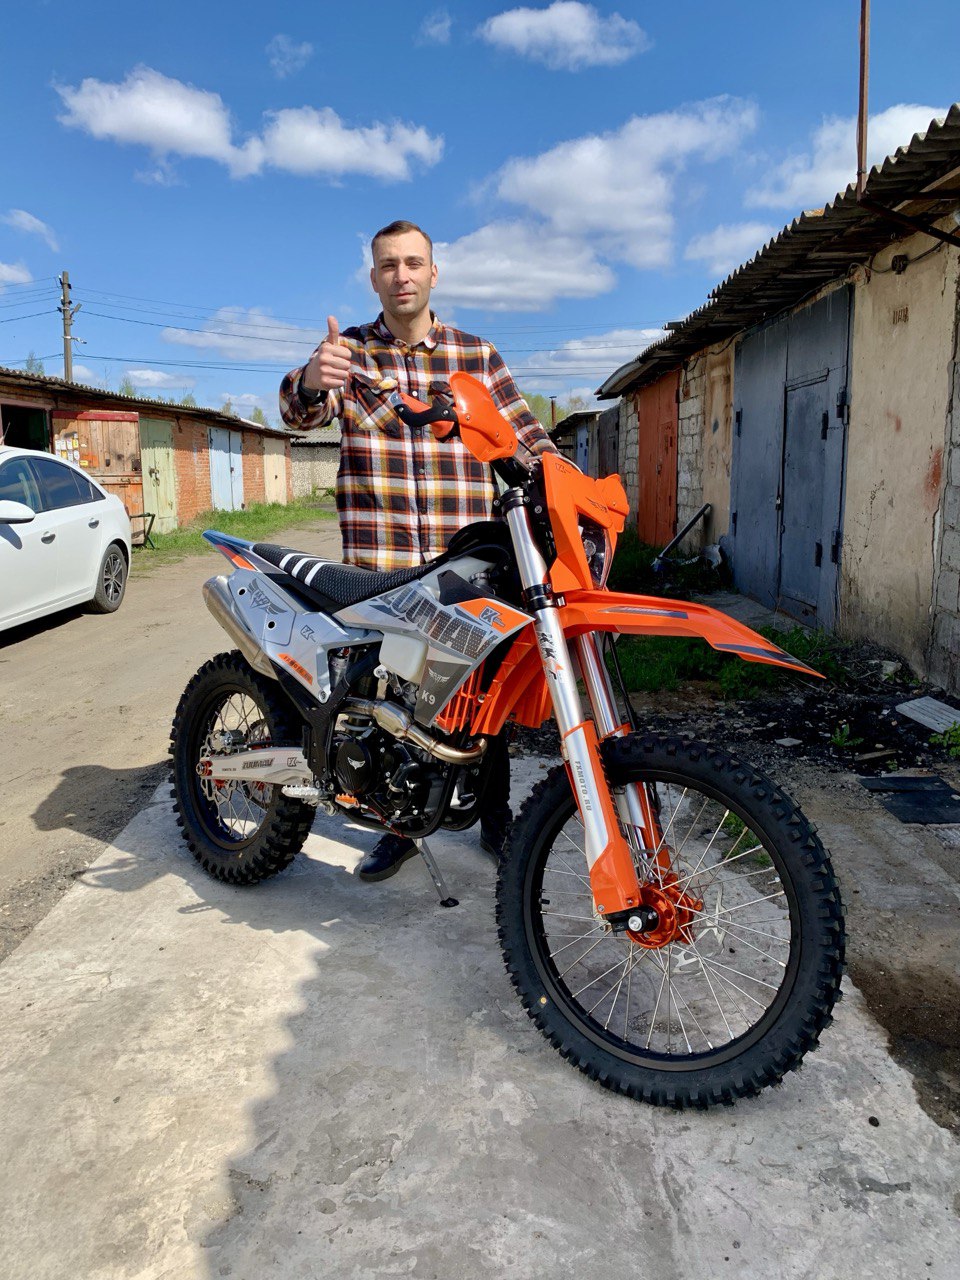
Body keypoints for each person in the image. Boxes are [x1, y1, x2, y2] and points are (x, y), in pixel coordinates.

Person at [280, 219, 557, 882]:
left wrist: (564, 482)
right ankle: (397, 828)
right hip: (383, 567)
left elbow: (528, 437)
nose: (401, 275)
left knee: (481, 700)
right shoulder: (347, 354)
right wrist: (312, 380)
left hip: (464, 562)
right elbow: (297, 414)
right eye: (388, 265)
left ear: (433, 272)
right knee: (393, 705)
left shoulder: (477, 356)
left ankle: (494, 820)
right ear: (373, 278)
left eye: (412, 263)